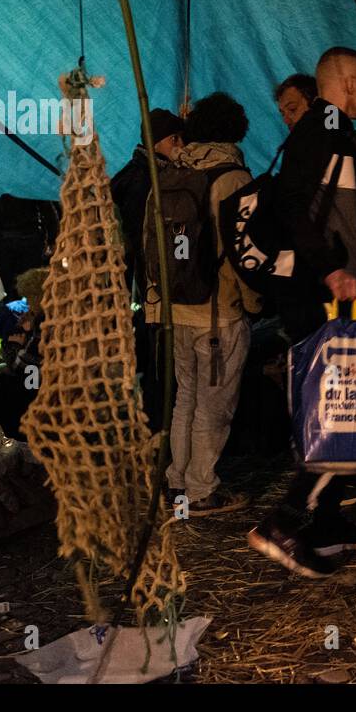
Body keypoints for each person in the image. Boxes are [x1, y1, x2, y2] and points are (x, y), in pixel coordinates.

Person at [249, 47, 356, 578]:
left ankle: (324, 524)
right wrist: (329, 268)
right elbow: (292, 205)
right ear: (346, 83)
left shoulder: (330, 132)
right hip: (323, 295)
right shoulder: (323, 127)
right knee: (344, 413)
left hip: (327, 292)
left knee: (340, 406)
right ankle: (282, 520)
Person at [144, 93, 261, 516]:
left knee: (185, 401)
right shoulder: (232, 178)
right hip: (217, 313)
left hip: (173, 311)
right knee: (214, 406)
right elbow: (243, 253)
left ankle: (178, 483)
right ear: (237, 130)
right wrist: (252, 302)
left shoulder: (170, 173)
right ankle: (201, 491)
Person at [110, 108, 185, 295]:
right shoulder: (143, 179)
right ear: (156, 143)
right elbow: (140, 236)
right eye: (174, 139)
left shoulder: (153, 172)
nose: (181, 145)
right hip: (149, 277)